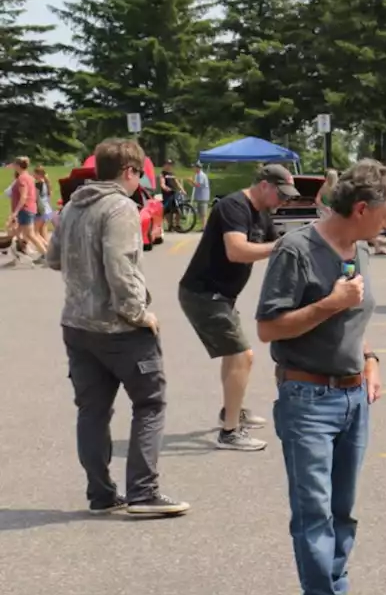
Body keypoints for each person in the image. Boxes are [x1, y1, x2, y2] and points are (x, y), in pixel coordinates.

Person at [255, 158, 386, 595]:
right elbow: (269, 328)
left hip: (354, 395)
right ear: (361, 208)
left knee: (342, 509)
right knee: (313, 512)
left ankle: (334, 591)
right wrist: (328, 305)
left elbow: (356, 318)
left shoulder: (358, 249)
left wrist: (370, 358)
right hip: (309, 397)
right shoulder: (296, 251)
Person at [46, 138, 189, 517]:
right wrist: (140, 314)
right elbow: (121, 268)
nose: (139, 180)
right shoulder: (121, 208)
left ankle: (101, 493)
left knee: (92, 410)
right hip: (119, 328)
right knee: (150, 403)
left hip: (77, 324)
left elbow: (53, 258)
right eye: (139, 173)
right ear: (128, 171)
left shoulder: (72, 206)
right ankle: (143, 492)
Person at [177, 164, 294, 451]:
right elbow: (237, 250)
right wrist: (281, 246)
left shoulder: (261, 212)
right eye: (281, 194)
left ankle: (230, 409)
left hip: (221, 296)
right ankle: (230, 432)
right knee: (243, 355)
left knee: (235, 356)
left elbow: (276, 243)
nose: (283, 201)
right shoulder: (234, 206)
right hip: (204, 294)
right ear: (265, 185)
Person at [7, 157, 48, 261]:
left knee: (29, 234)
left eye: (15, 164)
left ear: (18, 165)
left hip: (25, 209)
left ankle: (47, 255)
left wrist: (15, 212)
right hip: (28, 208)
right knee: (15, 231)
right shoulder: (29, 177)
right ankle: (19, 253)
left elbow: (24, 196)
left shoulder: (22, 179)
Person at [33, 165, 55, 242]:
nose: (33, 175)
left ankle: (44, 248)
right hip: (47, 209)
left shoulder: (38, 184)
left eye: (34, 173)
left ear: (38, 174)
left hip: (41, 209)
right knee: (43, 231)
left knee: (35, 232)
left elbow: (35, 198)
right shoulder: (46, 183)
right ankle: (47, 248)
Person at [190, 162, 211, 228]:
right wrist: (190, 182)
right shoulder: (197, 175)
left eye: (194, 167)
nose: (193, 168)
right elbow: (195, 185)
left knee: (203, 213)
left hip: (203, 197)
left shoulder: (201, 175)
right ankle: (203, 226)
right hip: (200, 197)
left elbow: (199, 185)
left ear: (197, 168)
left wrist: (191, 181)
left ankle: (205, 227)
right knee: (200, 213)